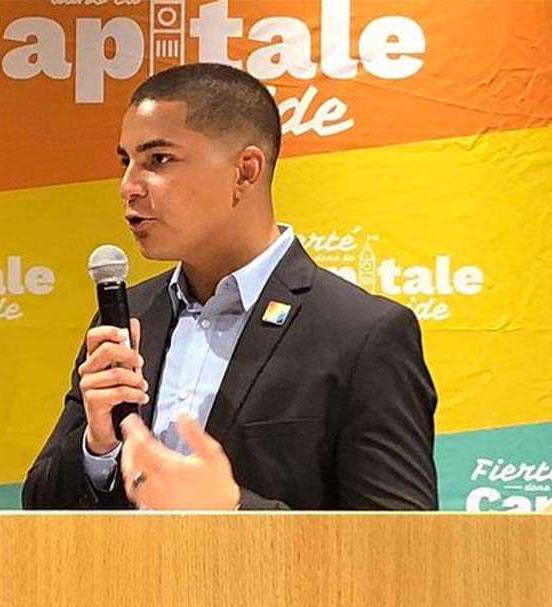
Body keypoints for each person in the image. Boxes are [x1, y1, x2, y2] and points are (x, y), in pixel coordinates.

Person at [22, 63, 437, 511]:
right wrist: (98, 450)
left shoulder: (363, 334)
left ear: (245, 171)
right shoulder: (130, 317)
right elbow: (40, 507)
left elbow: (401, 546)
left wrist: (233, 509)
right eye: (127, 162)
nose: (129, 187)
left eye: (158, 159)